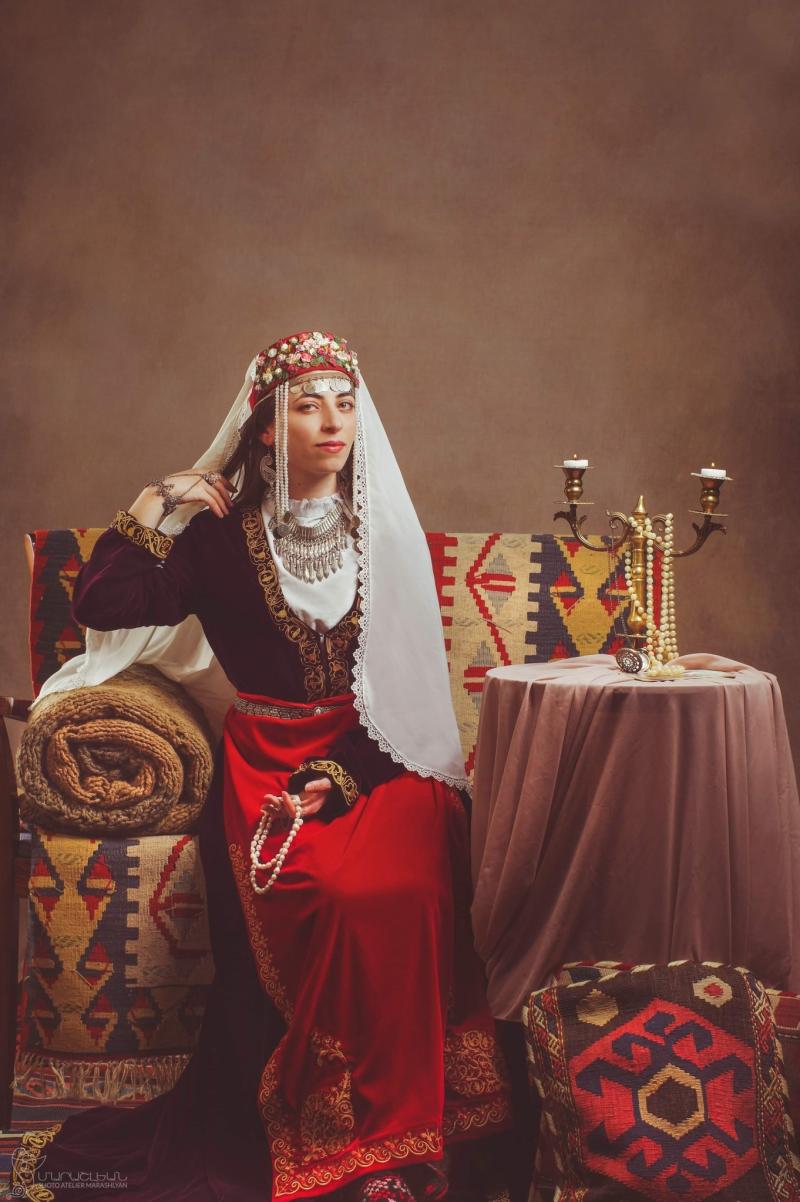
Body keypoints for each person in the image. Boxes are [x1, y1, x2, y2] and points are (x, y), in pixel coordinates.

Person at [11, 331, 512, 1202]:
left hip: (381, 756)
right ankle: (332, 1116)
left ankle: (401, 1130)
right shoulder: (216, 540)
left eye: (345, 403)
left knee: (399, 889)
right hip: (265, 766)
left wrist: (340, 777)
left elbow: (407, 690)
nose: (333, 422)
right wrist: (156, 501)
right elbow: (104, 602)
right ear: (269, 427)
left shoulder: (382, 534)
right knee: (329, 891)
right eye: (308, 405)